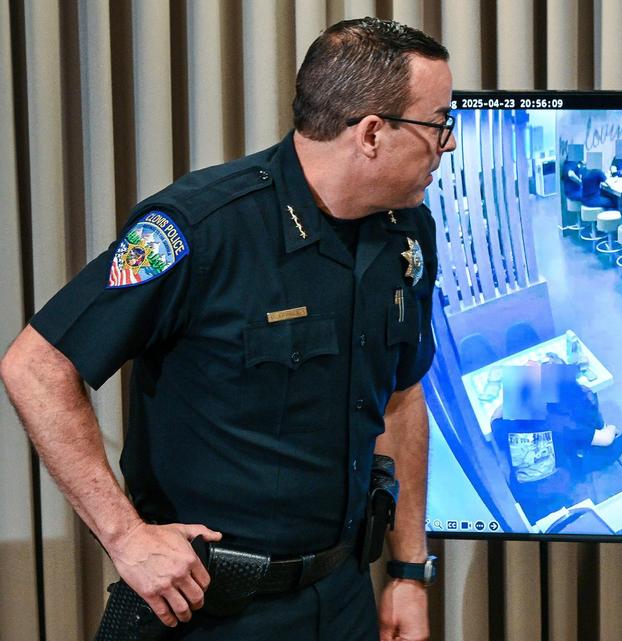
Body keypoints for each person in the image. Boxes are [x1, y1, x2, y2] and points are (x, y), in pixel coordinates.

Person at [0, 18, 452, 641]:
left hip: (341, 594)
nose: (447, 145)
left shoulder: (407, 233)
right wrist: (127, 538)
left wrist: (408, 571)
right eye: (438, 125)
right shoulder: (196, 228)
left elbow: (401, 397)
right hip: (213, 614)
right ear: (372, 133)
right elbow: (35, 364)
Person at [490, 365, 622, 521]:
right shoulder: (559, 424)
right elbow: (606, 439)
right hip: (560, 487)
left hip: (523, 493)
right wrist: (611, 427)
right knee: (609, 443)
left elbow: (494, 417)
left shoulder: (503, 428)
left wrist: (514, 395)